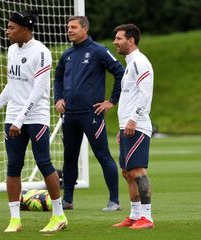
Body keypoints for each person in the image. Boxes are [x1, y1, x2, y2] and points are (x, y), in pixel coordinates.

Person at [0, 10, 67, 233]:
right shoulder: (11, 50)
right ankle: (15, 220)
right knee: (13, 166)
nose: (7, 31)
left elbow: (38, 90)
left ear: (25, 29)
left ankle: (59, 215)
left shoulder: (41, 52)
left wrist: (20, 119)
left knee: (43, 162)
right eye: (7, 27)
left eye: (11, 28)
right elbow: (12, 85)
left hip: (36, 117)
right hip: (13, 118)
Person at [54, 16, 124, 211]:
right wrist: (58, 98)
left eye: (73, 27)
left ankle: (114, 201)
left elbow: (120, 72)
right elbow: (57, 78)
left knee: (103, 156)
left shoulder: (99, 51)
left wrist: (111, 101)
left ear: (84, 29)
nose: (69, 30)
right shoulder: (67, 54)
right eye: (68, 27)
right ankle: (67, 200)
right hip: (70, 115)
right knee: (69, 157)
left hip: (91, 115)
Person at [112, 24, 154, 229]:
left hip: (137, 125)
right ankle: (135, 215)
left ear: (131, 40)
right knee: (127, 172)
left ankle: (147, 217)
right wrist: (123, 127)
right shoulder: (130, 63)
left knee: (138, 171)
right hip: (127, 126)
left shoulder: (139, 62)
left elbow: (145, 93)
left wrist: (133, 119)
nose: (115, 42)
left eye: (119, 38)